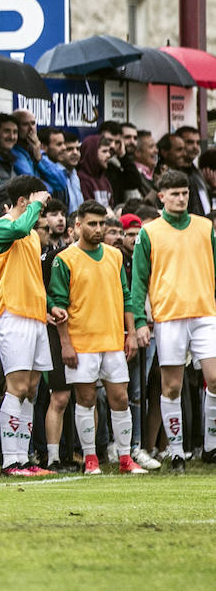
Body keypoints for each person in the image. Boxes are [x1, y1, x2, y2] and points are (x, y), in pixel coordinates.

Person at [46, 200, 147, 475]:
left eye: (102, 223)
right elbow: (58, 304)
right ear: (78, 225)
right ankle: (90, 459)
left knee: (121, 399)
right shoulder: (64, 259)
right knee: (86, 400)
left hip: (113, 340)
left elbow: (125, 296)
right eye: (92, 223)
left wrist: (130, 334)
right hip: (82, 342)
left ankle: (126, 458)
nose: (99, 229)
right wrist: (65, 343)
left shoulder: (114, 256)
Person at [128, 170, 216, 472]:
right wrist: (140, 320)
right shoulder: (149, 232)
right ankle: (176, 452)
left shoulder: (206, 227)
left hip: (206, 312)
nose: (181, 198)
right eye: (174, 193)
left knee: (215, 378)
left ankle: (211, 444)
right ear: (161, 196)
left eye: (185, 193)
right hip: (169, 316)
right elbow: (138, 281)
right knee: (172, 386)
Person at [0, 175, 54, 476]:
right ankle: (10, 461)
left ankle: (24, 459)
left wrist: (51, 308)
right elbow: (20, 226)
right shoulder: (2, 226)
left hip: (36, 316)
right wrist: (35, 207)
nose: (43, 208)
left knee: (32, 389)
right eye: (38, 200)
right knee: (16, 387)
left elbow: (32, 277)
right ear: (24, 200)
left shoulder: (31, 236)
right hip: (12, 314)